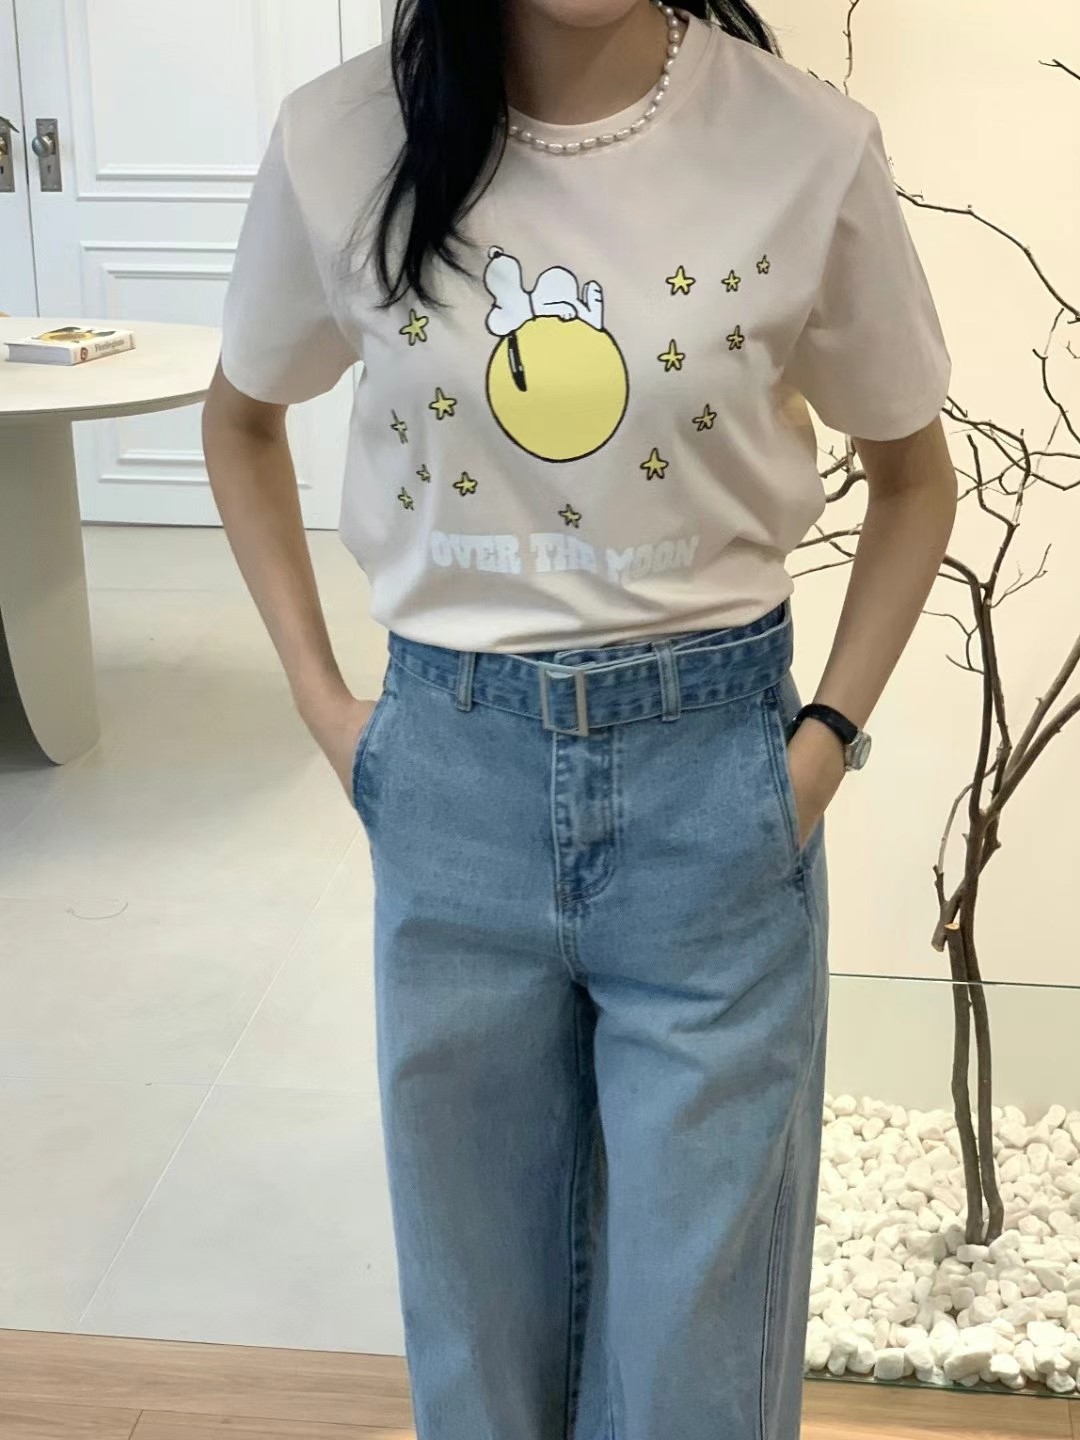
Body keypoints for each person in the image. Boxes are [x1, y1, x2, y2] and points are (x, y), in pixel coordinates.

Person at [202, 1, 957, 1435]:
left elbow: (914, 475)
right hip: (452, 791)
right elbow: (239, 418)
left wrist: (820, 749)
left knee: (697, 1373)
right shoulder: (343, 138)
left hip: (713, 803)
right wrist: (329, 708)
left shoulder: (802, 143)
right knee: (476, 1354)